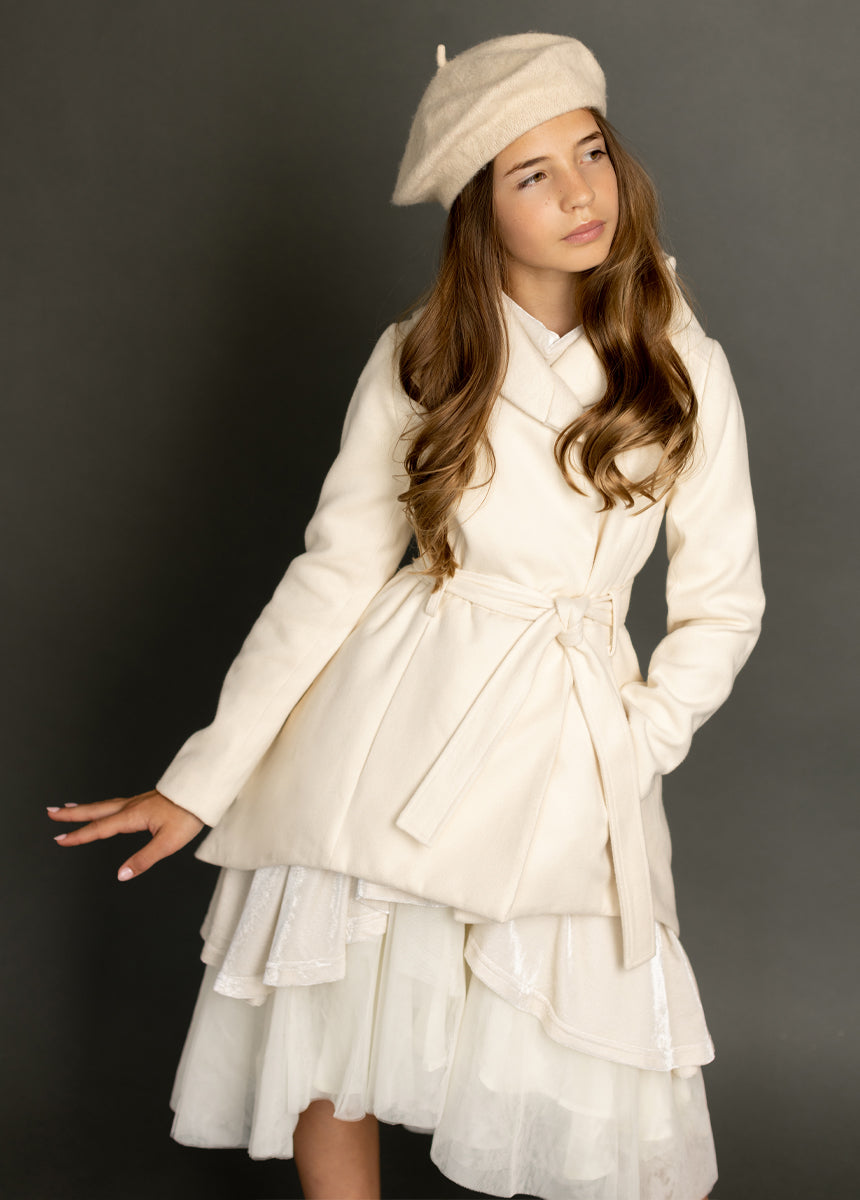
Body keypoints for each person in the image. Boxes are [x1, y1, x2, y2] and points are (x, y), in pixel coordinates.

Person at [48, 32, 764, 1200]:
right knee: (337, 1046)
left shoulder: (680, 362)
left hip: (573, 739)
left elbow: (722, 602)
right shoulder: (423, 355)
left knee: (579, 1048)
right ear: (480, 210)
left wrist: (638, 739)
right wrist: (201, 780)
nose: (578, 192)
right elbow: (332, 573)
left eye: (589, 152)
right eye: (531, 173)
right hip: (387, 730)